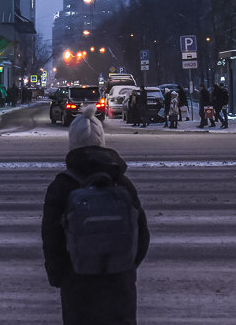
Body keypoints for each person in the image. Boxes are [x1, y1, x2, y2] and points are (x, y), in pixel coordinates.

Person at [41, 107, 150, 325]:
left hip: (78, 283)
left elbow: (51, 238)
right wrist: (125, 266)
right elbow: (142, 234)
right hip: (120, 283)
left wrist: (61, 276)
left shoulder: (63, 185)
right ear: (102, 141)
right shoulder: (121, 182)